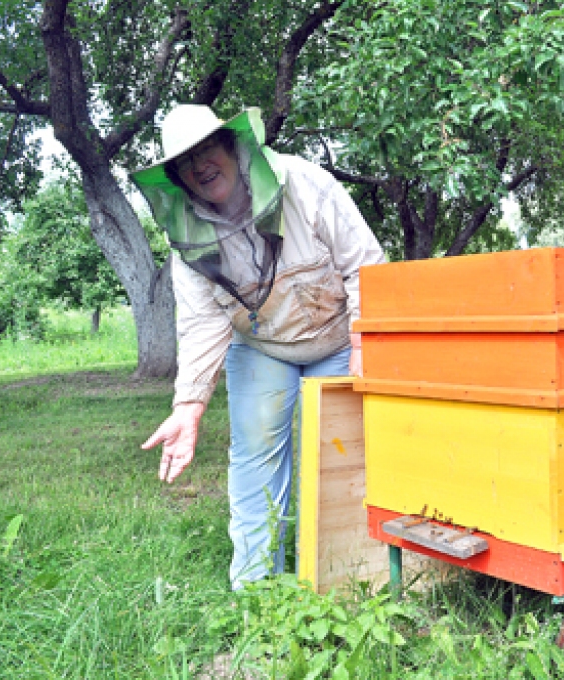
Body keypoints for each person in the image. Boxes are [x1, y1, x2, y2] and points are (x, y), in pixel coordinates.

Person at [132, 105, 385, 589]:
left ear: (232, 146)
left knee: (342, 455)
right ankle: (256, 592)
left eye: (208, 148)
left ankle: (347, 580)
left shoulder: (305, 183)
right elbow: (203, 323)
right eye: (186, 161)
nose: (200, 164)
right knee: (254, 454)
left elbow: (365, 268)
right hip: (261, 346)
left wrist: (363, 346)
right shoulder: (187, 238)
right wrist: (188, 406)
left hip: (337, 339)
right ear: (177, 180)